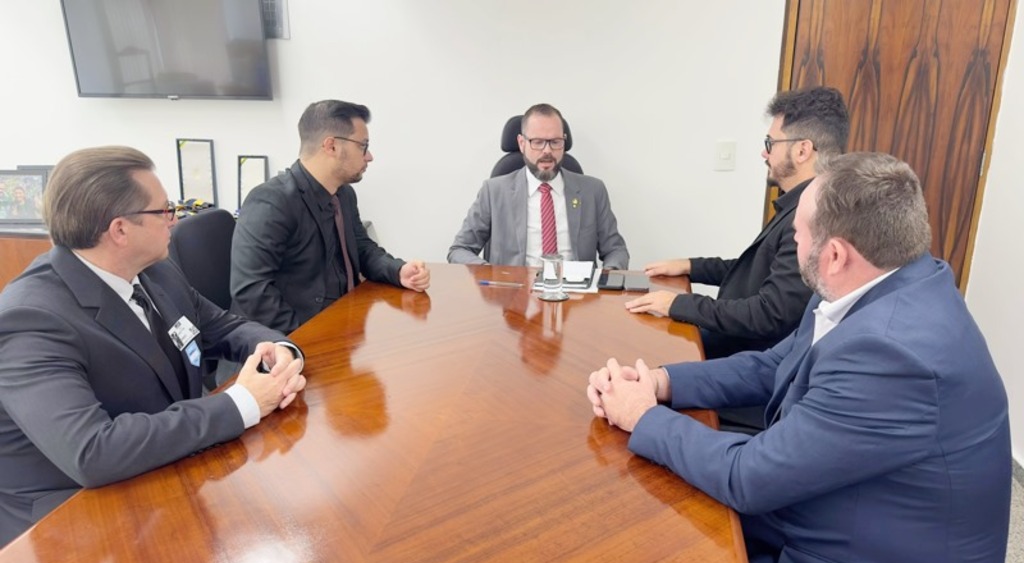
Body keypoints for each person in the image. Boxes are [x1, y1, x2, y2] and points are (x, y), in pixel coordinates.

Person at [586, 152, 1011, 563]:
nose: (793, 245)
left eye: (797, 235)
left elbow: (749, 478)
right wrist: (660, 383)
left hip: (857, 558)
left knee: (636, 545)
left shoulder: (892, 356)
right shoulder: (875, 281)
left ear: (836, 255)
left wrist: (641, 415)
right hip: (833, 506)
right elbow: (772, 365)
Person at [0, 146, 308, 547]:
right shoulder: (31, 321)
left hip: (162, 466)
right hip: (72, 521)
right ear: (120, 230)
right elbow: (92, 453)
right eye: (164, 210)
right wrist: (242, 403)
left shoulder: (156, 269)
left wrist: (278, 349)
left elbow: (221, 326)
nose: (175, 219)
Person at [627, 86, 849, 361]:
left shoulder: (812, 217)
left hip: (746, 360)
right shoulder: (797, 203)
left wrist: (678, 303)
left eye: (770, 144)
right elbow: (753, 269)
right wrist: (690, 266)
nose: (763, 154)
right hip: (734, 343)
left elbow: (769, 314)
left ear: (802, 150)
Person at [231, 99, 430, 333]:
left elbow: (362, 247)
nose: (369, 156)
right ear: (331, 146)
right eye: (363, 146)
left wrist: (398, 271)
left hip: (344, 323)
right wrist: (305, 342)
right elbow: (252, 292)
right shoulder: (271, 202)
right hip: (291, 341)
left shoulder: (343, 194)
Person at [448, 103, 629, 269]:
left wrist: (607, 276)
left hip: (577, 296)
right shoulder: (494, 191)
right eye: (538, 142)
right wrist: (488, 272)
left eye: (555, 142)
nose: (547, 151)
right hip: (515, 295)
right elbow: (459, 250)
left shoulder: (593, 191)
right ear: (522, 143)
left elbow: (616, 250)